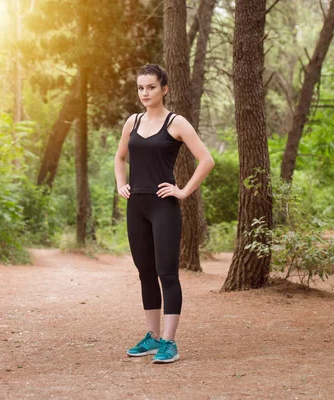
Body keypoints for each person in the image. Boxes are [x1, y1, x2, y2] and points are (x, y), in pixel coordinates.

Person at [114, 64, 215, 364]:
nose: (145, 93)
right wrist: (121, 184)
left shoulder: (176, 123)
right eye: (141, 88)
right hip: (137, 207)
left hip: (164, 207)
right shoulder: (132, 122)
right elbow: (120, 157)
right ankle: (152, 338)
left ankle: (170, 342)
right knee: (145, 272)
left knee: (166, 274)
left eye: (151, 87)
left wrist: (183, 191)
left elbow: (206, 160)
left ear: (164, 89)